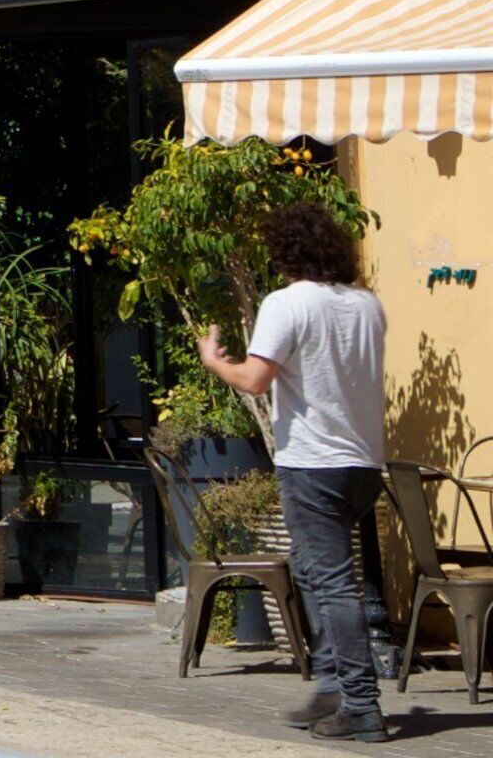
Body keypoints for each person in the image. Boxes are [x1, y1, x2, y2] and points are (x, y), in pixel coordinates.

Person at [201, 201, 391, 743]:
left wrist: (216, 361)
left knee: (331, 584)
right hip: (362, 463)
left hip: (312, 464)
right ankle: (333, 684)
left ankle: (360, 704)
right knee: (312, 572)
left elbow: (256, 380)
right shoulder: (367, 305)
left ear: (284, 250)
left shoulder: (286, 304)